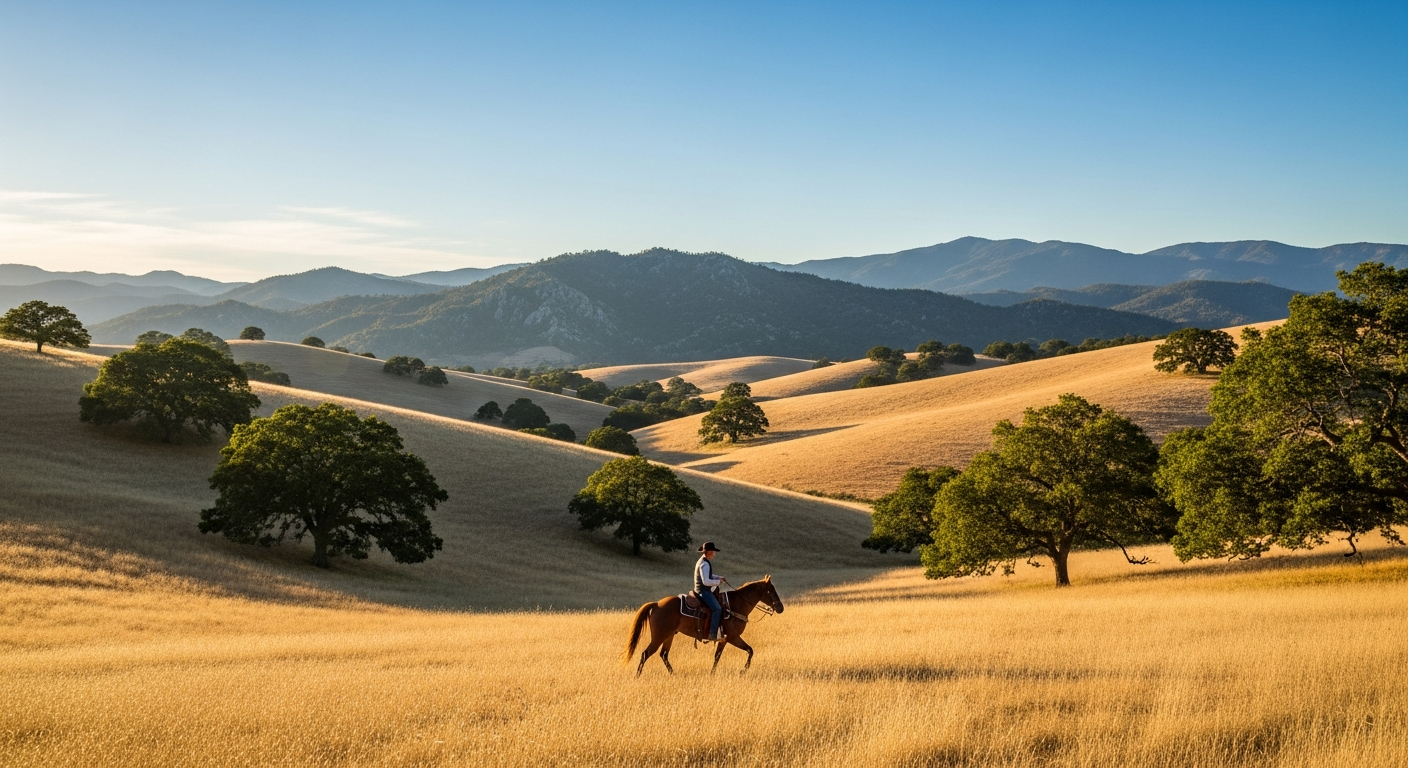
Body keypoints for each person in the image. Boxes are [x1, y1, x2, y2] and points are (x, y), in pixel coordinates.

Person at [693, 541, 725, 641]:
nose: (714, 554)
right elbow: (706, 581)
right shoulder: (704, 564)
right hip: (703, 591)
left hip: (700, 590)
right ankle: (712, 634)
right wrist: (717, 582)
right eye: (714, 552)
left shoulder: (702, 561)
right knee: (717, 609)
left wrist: (718, 577)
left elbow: (708, 575)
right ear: (709, 552)